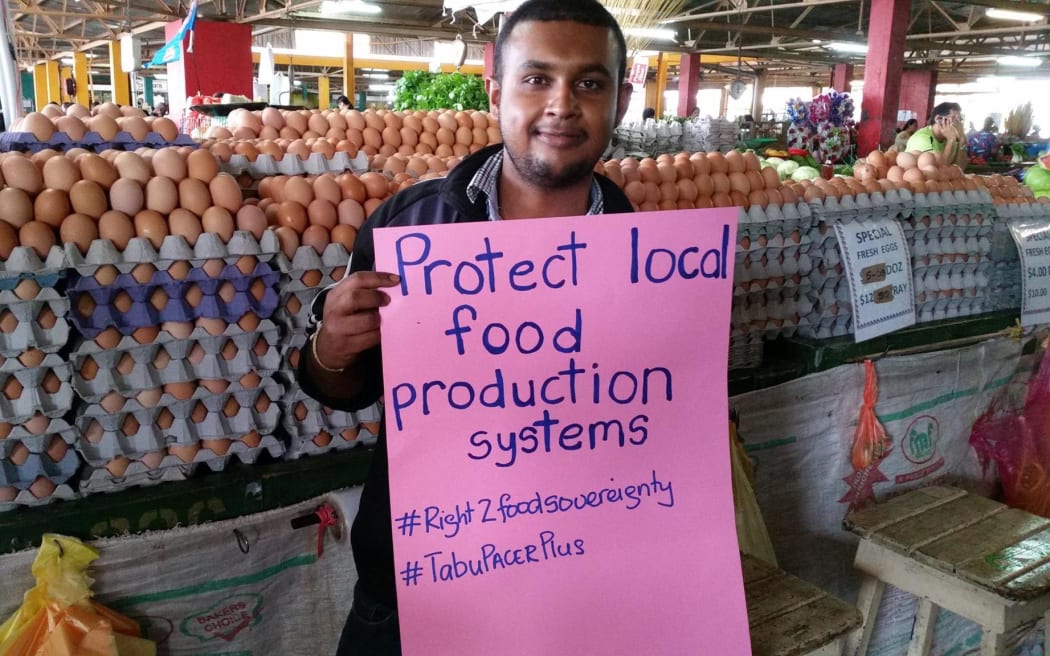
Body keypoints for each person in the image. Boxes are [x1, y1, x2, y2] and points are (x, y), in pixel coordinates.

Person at [295, 1, 634, 654]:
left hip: (571, 586)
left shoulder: (649, 255)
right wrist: (330, 351)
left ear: (619, 100)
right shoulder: (413, 226)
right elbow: (340, 386)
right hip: (418, 588)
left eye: (590, 83)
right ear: (496, 89)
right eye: (537, 78)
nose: (562, 104)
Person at [906, 102, 968, 167]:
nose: (959, 124)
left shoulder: (951, 138)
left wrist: (962, 141)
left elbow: (960, 168)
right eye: (954, 119)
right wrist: (951, 140)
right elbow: (938, 170)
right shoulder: (922, 138)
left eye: (959, 119)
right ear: (938, 119)